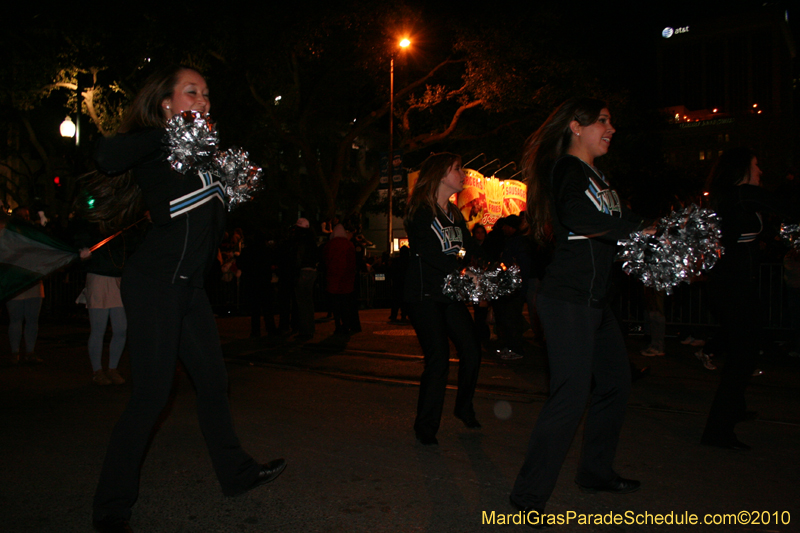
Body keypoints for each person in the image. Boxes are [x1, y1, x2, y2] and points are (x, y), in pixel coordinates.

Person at [89, 65, 285, 533]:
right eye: (191, 92)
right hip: (155, 284)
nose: (203, 100)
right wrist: (166, 134)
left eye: (206, 93)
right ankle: (110, 508)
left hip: (189, 289)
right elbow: (107, 155)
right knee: (151, 397)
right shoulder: (158, 149)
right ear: (167, 103)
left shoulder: (205, 160)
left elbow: (215, 218)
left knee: (214, 385)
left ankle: (236, 475)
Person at [509, 98, 649, 524]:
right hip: (568, 299)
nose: (610, 128)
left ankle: (594, 472)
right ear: (575, 126)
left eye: (611, 121)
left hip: (594, 301)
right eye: (603, 121)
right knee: (570, 396)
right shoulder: (569, 171)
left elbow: (624, 220)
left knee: (615, 383)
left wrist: (664, 231)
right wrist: (636, 230)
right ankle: (528, 497)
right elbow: (575, 214)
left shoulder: (597, 177)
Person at [700, 148, 796, 451]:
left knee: (745, 348)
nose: (761, 171)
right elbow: (785, 205)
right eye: (757, 165)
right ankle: (718, 430)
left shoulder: (736, 196)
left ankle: (734, 409)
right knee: (742, 357)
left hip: (734, 285)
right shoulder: (742, 194)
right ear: (742, 169)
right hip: (731, 287)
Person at [404, 152, 482, 446]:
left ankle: (463, 407)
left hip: (448, 295)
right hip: (423, 295)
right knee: (438, 359)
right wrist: (459, 267)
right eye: (457, 169)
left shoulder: (456, 214)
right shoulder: (420, 211)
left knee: (472, 349)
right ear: (439, 174)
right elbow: (426, 250)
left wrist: (473, 265)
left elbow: (467, 248)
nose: (462, 174)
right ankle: (425, 426)